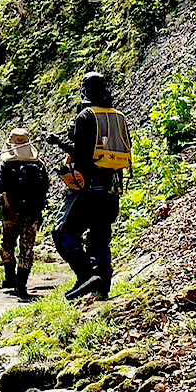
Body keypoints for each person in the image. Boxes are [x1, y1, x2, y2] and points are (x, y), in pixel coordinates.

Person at [45, 71, 131, 301]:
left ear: (85, 91)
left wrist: (58, 141)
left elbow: (80, 152)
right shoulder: (118, 117)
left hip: (87, 188)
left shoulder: (86, 115)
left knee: (64, 233)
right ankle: (102, 285)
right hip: (112, 188)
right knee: (100, 237)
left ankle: (86, 275)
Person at [0, 127, 49, 299]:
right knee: (27, 248)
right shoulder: (39, 165)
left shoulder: (5, 164)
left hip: (10, 211)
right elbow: (45, 188)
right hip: (32, 213)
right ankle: (21, 287)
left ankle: (9, 280)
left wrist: (8, 203)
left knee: (8, 245)